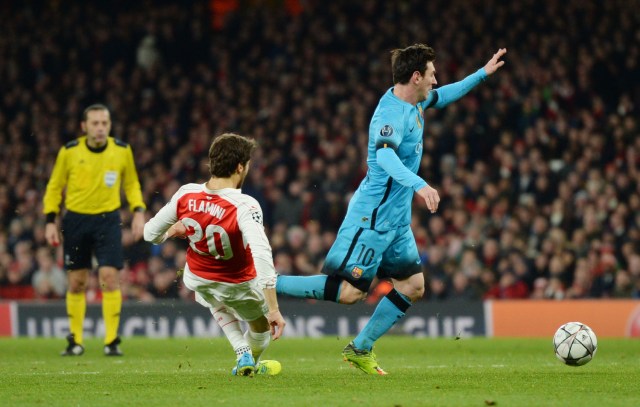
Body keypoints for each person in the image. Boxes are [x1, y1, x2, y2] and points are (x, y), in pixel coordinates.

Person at [276, 44, 507, 374]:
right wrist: (419, 184)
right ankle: (273, 283)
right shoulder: (388, 114)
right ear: (416, 77)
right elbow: (385, 157)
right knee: (350, 294)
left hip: (397, 221)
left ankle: (361, 347)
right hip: (371, 217)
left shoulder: (417, 101)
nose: (435, 79)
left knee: (413, 286)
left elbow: (448, 94)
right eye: (431, 74)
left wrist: (482, 73)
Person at [143, 133, 286, 377]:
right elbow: (261, 253)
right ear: (240, 167)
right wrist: (273, 308)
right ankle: (247, 357)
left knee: (213, 299)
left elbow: (149, 234)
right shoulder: (245, 205)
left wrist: (172, 230)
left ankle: (242, 354)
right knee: (261, 328)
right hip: (238, 282)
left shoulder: (186, 194)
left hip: (198, 278)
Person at [43, 103, 146, 356]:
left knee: (110, 277)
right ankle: (75, 341)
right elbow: (55, 187)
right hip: (76, 220)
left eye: (104, 123)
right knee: (77, 282)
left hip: (107, 220)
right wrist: (50, 221)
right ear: (84, 126)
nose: (100, 128)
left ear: (109, 126)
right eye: (95, 123)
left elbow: (132, 183)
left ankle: (111, 341)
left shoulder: (122, 151)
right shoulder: (69, 152)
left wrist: (138, 211)